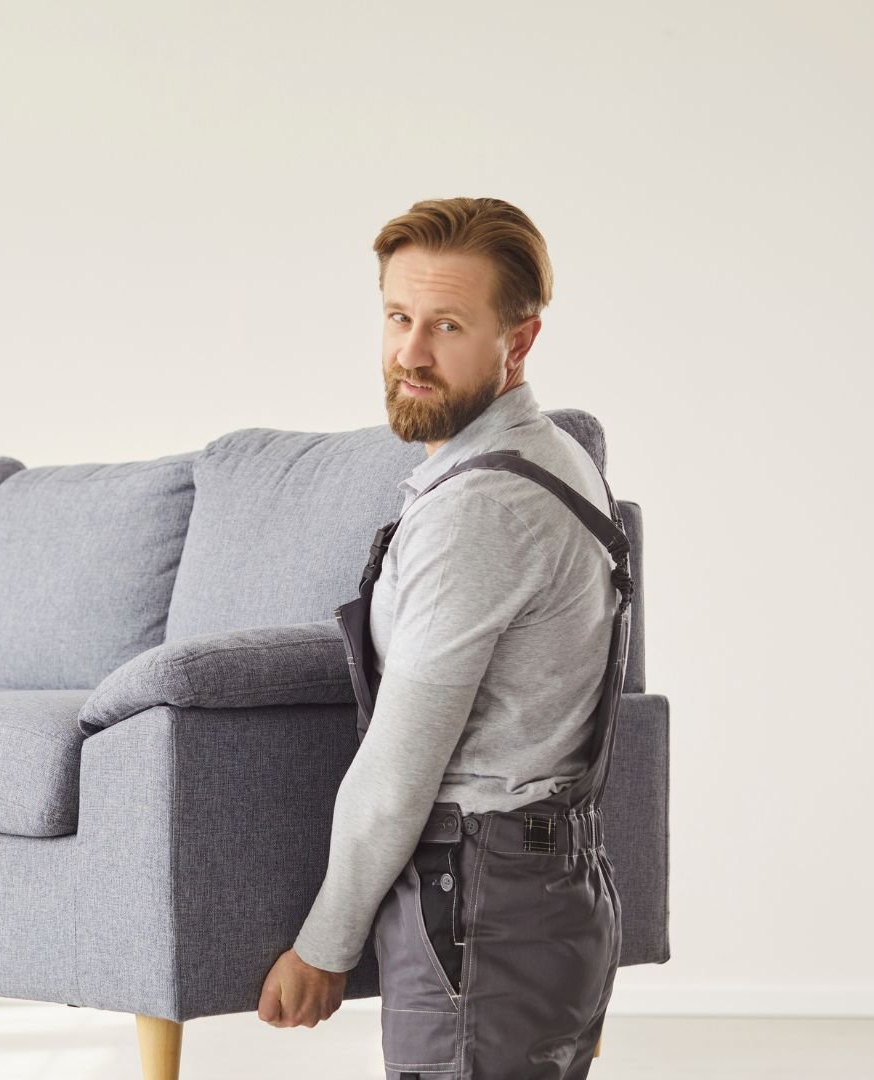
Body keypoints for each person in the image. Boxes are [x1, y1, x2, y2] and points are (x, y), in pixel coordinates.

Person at [256, 197, 631, 1080]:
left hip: (482, 909)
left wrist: (323, 946)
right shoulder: (558, 460)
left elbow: (399, 769)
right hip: (551, 891)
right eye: (398, 317)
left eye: (448, 326)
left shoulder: (479, 510)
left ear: (520, 341)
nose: (410, 353)